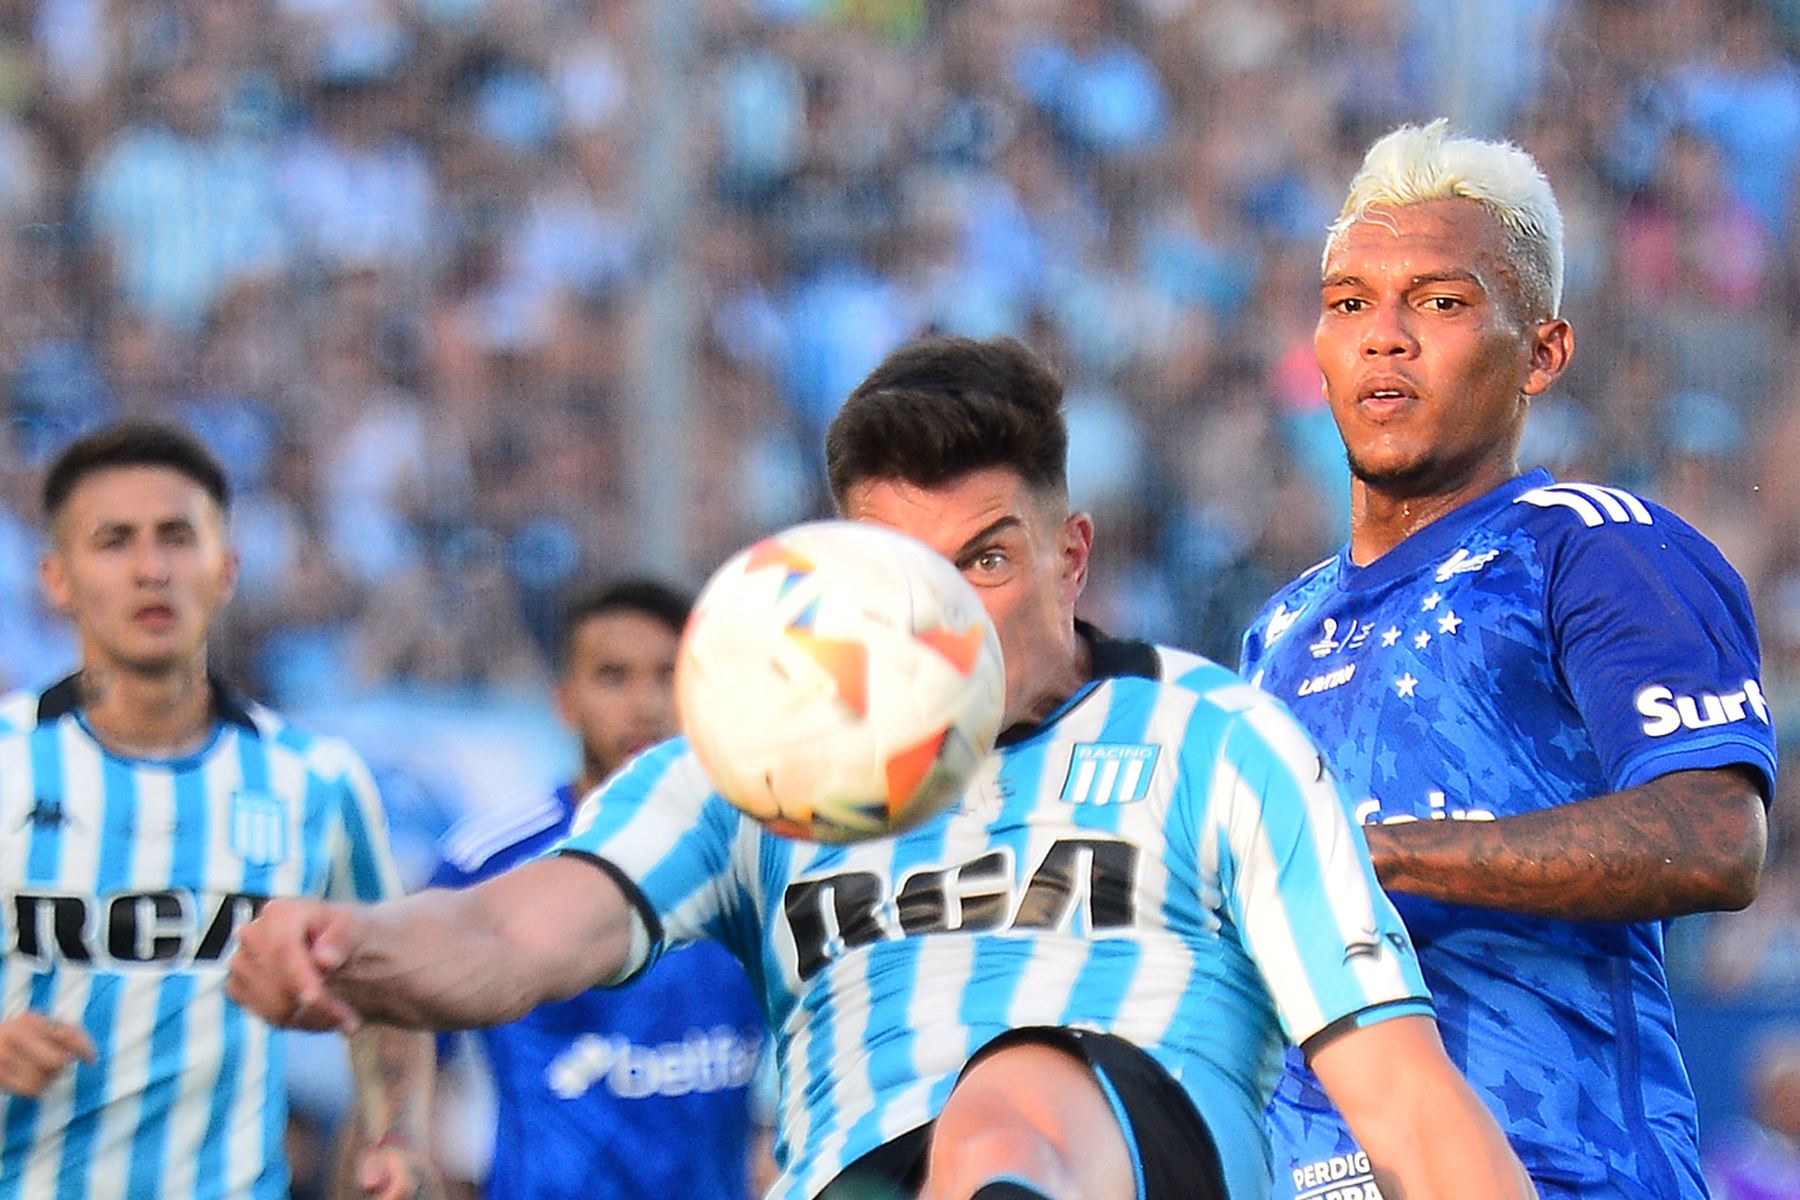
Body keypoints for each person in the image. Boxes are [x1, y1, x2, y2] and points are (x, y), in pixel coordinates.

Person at [227, 335, 1533, 1200]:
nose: (948, 616)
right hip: (866, 1175)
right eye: (903, 576)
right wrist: (354, 947)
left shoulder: (1215, 739)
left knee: (1006, 1109)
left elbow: (1404, 1098)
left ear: (1071, 554)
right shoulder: (760, 768)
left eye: (988, 558)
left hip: (1133, 1154)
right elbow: (517, 926)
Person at [1239, 120, 1775, 1200]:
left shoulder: (1594, 544)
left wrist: (1370, 856)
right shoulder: (1275, 631)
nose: (1384, 336)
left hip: (1563, 1173)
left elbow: (1716, 839)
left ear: (1542, 351)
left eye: (1439, 301)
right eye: (1349, 303)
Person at [0, 422, 439, 1200]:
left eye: (177, 538)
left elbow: (391, 990)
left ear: (226, 569)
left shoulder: (315, 780)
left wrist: (394, 1136)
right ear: (55, 578)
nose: (150, 569)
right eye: (113, 541)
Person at [428, 580, 770, 1199]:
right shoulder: (489, 862)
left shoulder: (754, 856)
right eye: (613, 677)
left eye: (668, 676)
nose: (644, 704)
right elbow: (414, 1059)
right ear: (565, 700)